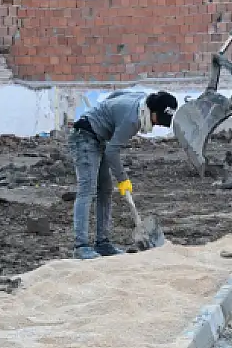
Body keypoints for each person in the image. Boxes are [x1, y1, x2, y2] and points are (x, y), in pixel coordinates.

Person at [68, 90, 178, 259]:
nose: (156, 125)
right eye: (158, 120)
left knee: (105, 190)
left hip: (99, 137)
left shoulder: (141, 98)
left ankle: (102, 243)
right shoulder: (132, 119)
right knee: (87, 189)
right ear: (152, 111)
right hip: (84, 137)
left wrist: (106, 114)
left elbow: (115, 95)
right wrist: (123, 179)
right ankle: (81, 246)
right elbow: (112, 152)